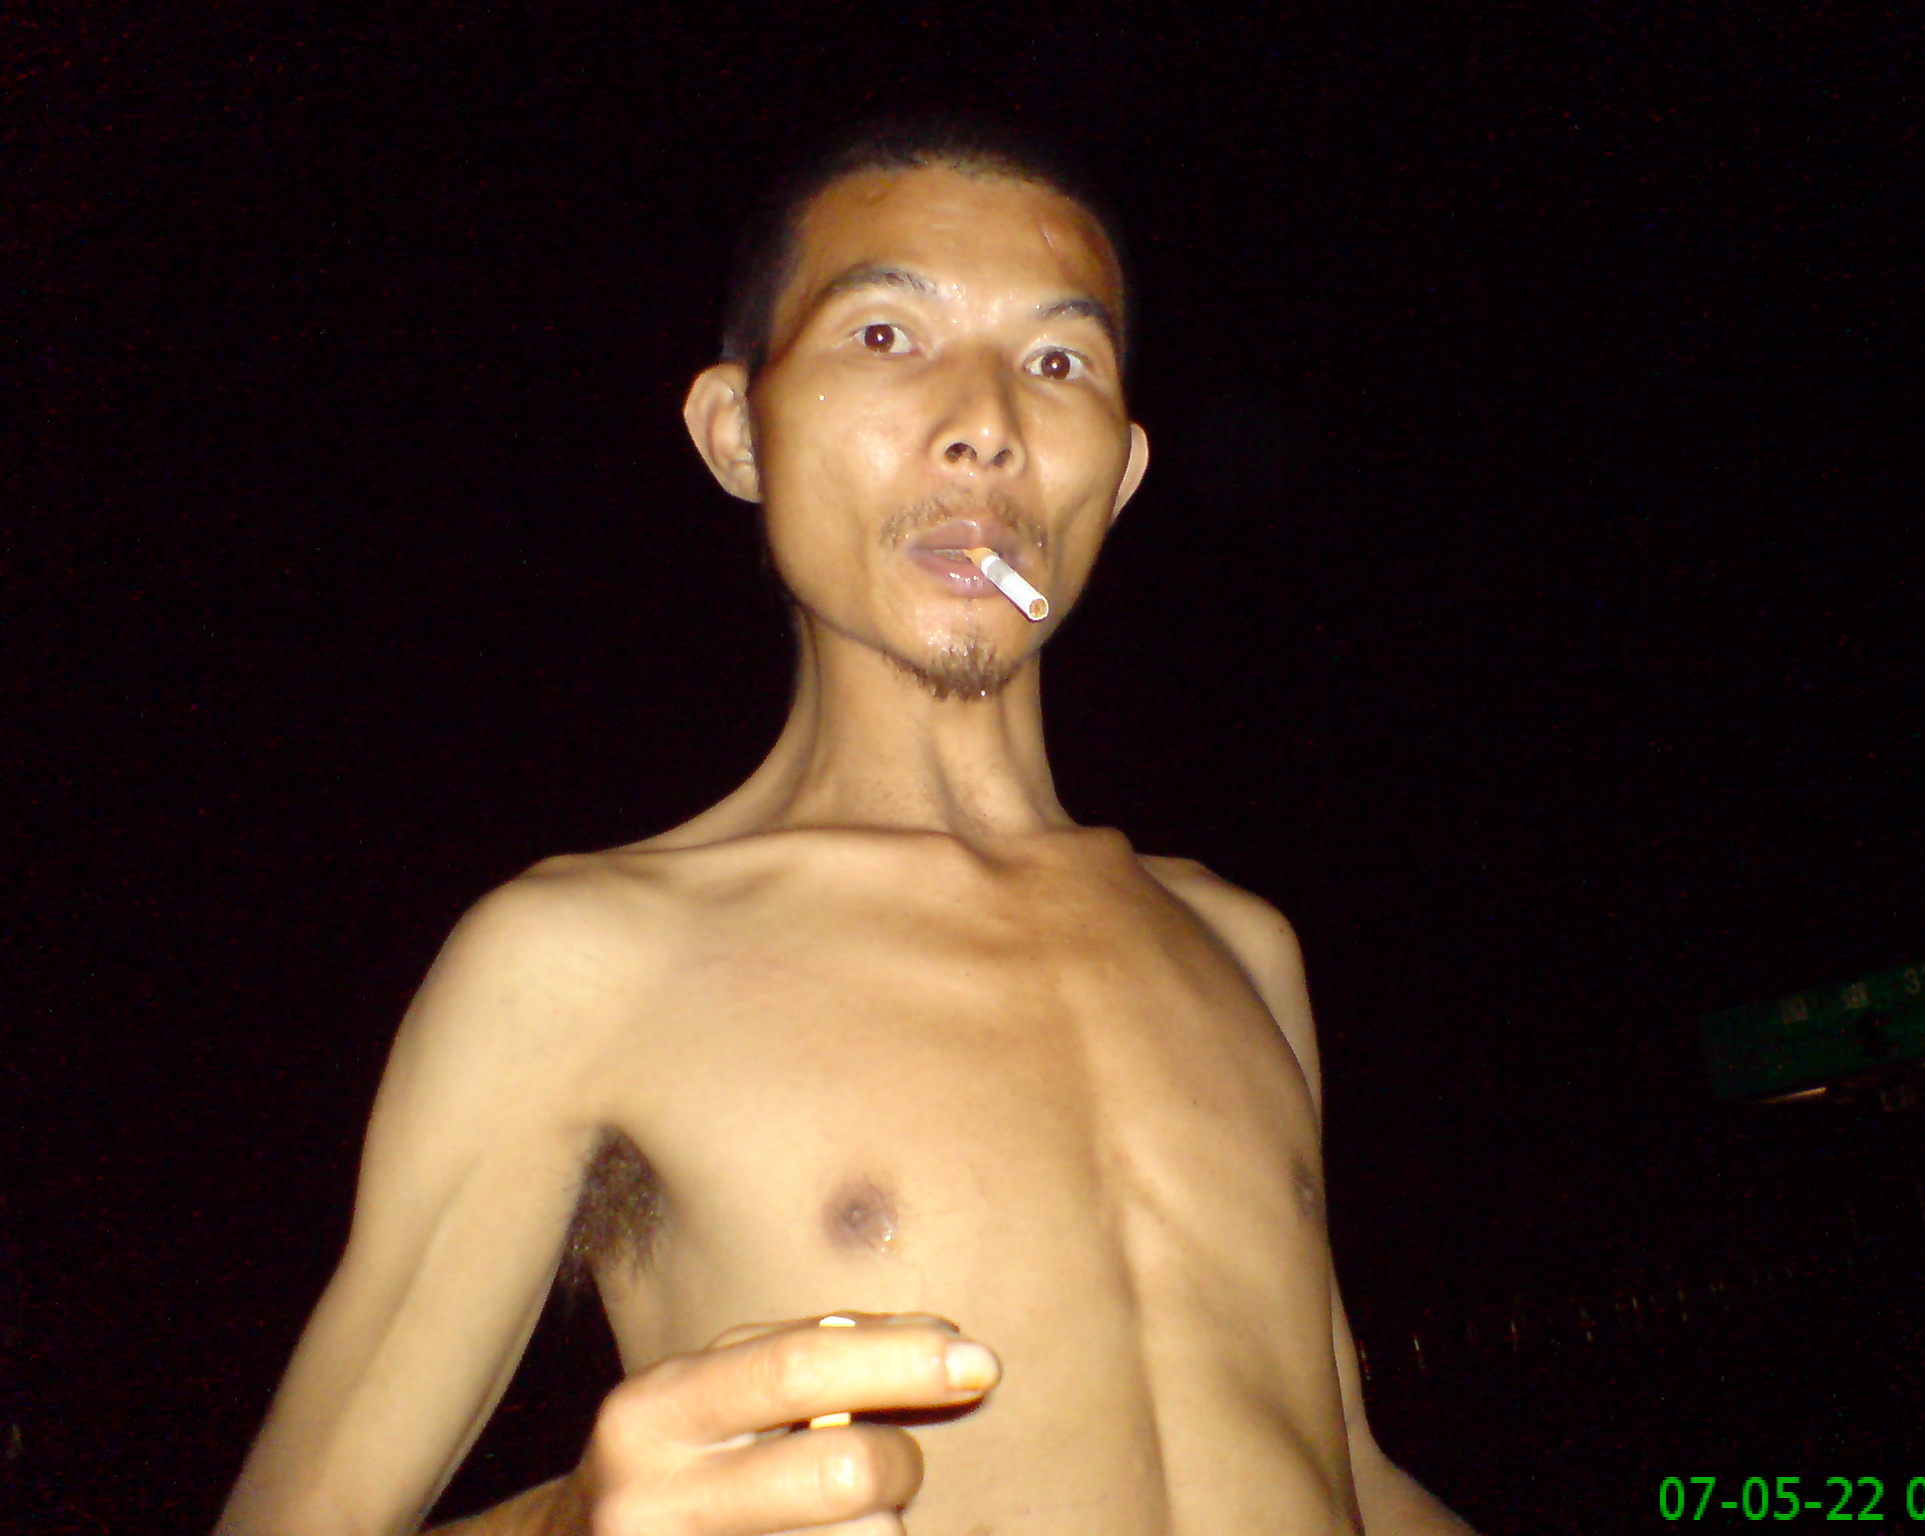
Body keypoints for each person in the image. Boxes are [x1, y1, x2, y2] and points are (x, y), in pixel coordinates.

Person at [216, 116, 1475, 1536]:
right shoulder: (579, 961)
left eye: (1058, 362)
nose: (987, 424)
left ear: (1117, 475)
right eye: (886, 336)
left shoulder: (1241, 949)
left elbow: (1351, 1478)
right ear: (737, 434)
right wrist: (570, 1528)